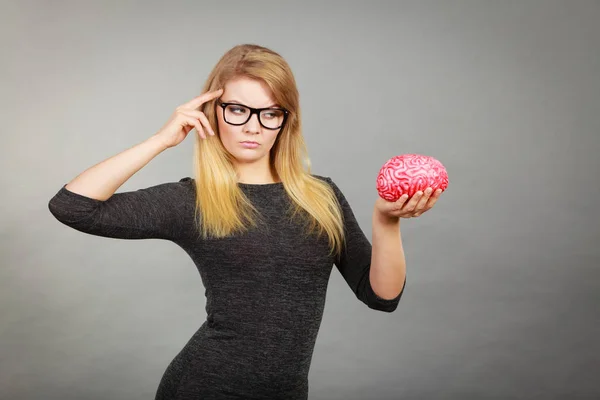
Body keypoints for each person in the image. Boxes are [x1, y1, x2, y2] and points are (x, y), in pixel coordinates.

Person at [48, 44, 442, 400]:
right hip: (205, 387)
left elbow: (381, 297)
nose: (253, 126)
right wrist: (160, 140)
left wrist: (386, 221)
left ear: (286, 120)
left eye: (270, 113)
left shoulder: (321, 195)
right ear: (213, 112)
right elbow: (72, 206)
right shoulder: (194, 199)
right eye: (237, 110)